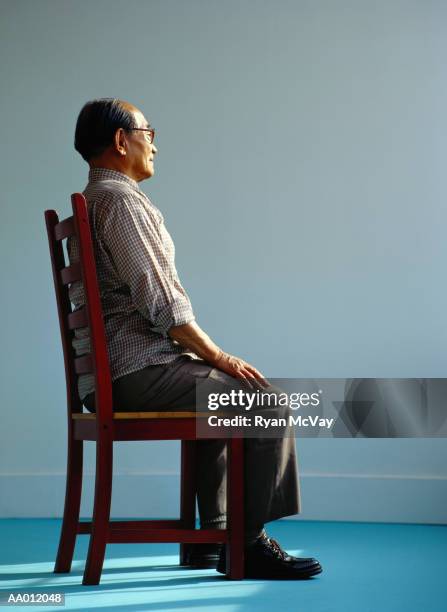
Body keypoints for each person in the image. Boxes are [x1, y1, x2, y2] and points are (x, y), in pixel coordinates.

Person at [68, 98, 322, 579]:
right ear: (121, 141)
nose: (155, 145)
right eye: (149, 132)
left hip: (121, 373)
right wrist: (218, 355)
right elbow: (163, 304)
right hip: (138, 371)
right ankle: (246, 544)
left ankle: (216, 538)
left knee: (221, 397)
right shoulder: (121, 203)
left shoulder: (95, 201)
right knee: (265, 403)